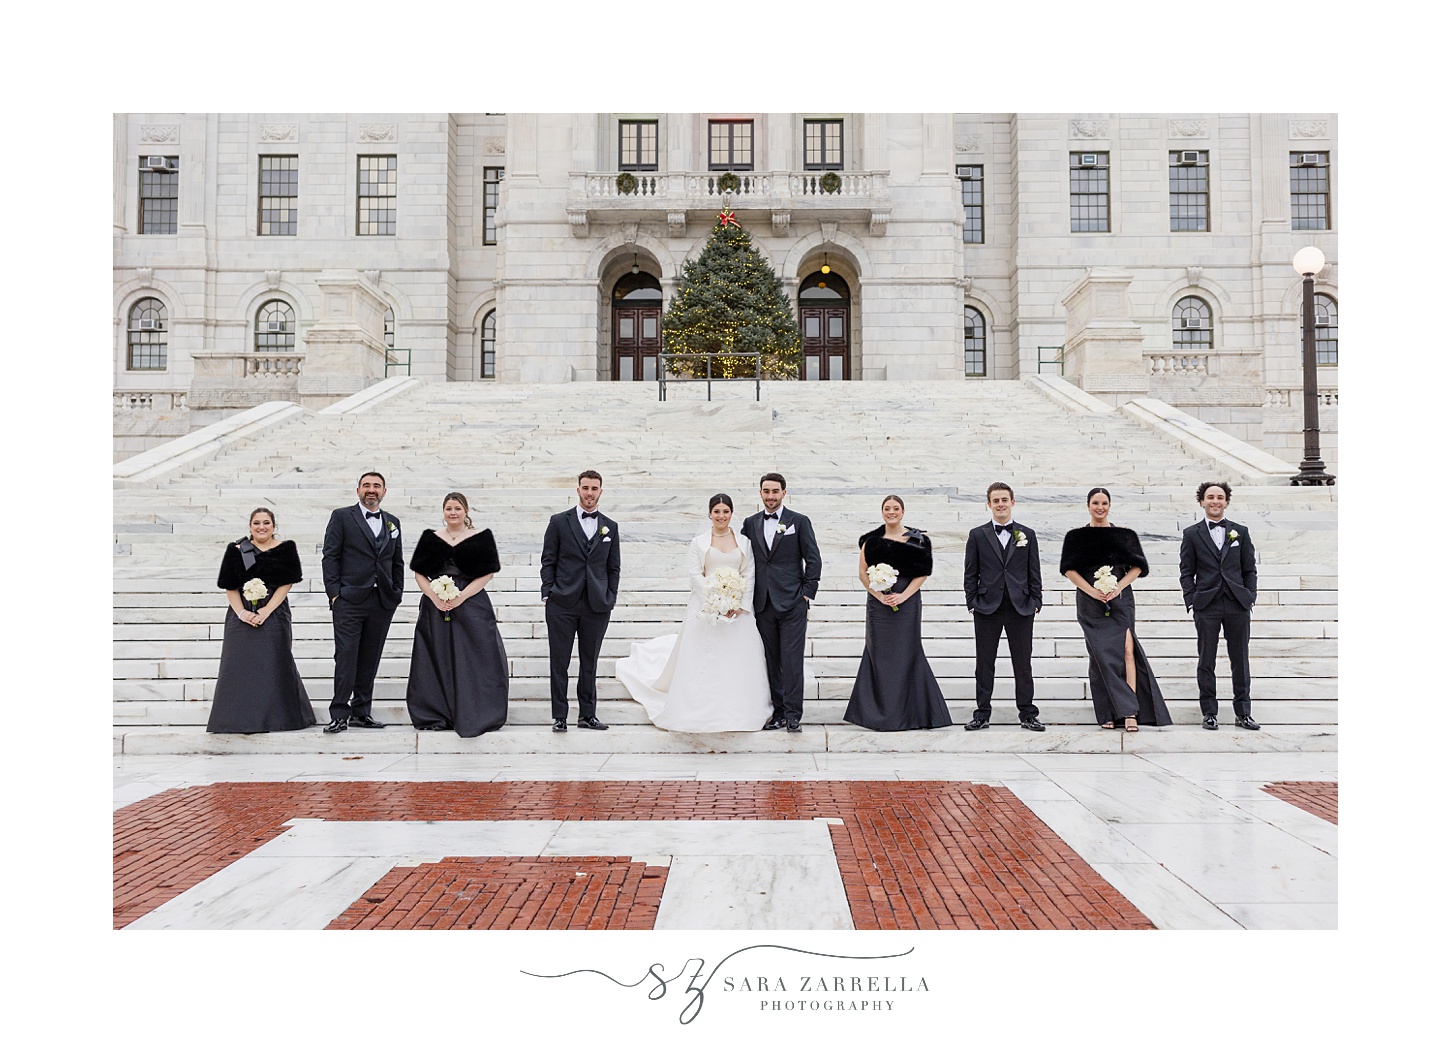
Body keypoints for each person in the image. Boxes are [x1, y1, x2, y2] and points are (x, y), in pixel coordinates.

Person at [615, 494, 774, 731]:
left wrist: (739, 604)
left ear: (732, 514)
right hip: (705, 609)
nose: (721, 516)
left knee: (737, 660)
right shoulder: (699, 542)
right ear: (710, 514)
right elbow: (694, 574)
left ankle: (739, 708)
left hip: (736, 611)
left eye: (726, 511)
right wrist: (714, 601)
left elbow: (749, 573)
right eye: (717, 511)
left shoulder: (744, 542)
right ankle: (697, 707)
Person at [1059, 488, 1172, 730]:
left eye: (1104, 503)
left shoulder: (1125, 535)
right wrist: (1092, 591)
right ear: (1088, 505)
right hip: (1090, 603)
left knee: (1127, 652)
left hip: (1120, 601)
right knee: (1100, 656)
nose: (1100, 507)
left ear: (1110, 505)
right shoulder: (1075, 537)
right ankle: (1107, 711)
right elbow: (1069, 570)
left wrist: (1119, 586)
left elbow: (1137, 567)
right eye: (1095, 503)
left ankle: (1130, 711)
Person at [845, 495, 952, 731]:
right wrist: (879, 595)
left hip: (908, 603)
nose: (891, 512)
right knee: (879, 655)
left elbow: (923, 573)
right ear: (881, 511)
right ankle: (877, 714)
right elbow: (863, 573)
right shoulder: (871, 540)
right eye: (887, 508)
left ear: (903, 512)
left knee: (907, 652)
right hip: (878, 607)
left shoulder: (918, 539)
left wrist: (903, 596)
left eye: (896, 508)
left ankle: (913, 714)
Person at [405, 492, 508, 736]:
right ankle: (437, 712)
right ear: (443, 512)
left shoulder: (480, 538)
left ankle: (478, 711)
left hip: (472, 605)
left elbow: (487, 574)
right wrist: (434, 596)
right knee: (437, 655)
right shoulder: (431, 539)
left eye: (457, 508)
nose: (453, 512)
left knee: (474, 655)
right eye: (449, 508)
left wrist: (461, 596)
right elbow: (419, 574)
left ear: (466, 511)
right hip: (435, 607)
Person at [207, 508, 316, 733]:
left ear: (274, 526)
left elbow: (287, 583)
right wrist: (241, 613)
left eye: (266, 522)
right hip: (241, 613)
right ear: (250, 526)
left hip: (274, 612)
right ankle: (236, 719)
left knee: (274, 663)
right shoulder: (236, 550)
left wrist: (266, 610)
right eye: (256, 523)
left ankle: (278, 719)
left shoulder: (286, 548)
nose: (261, 527)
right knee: (239, 665)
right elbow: (229, 585)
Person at [321, 471, 405, 733]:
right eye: (366, 485)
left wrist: (397, 591)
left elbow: (397, 561)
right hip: (349, 599)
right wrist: (335, 593)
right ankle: (339, 713)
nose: (371, 490)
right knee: (346, 655)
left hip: (381, 600)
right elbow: (330, 556)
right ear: (358, 490)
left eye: (376, 486)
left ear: (384, 492)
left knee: (370, 657)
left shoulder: (393, 522)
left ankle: (361, 711)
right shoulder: (342, 516)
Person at [540, 470, 620, 732]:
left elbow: (613, 567)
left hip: (596, 604)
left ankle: (587, 714)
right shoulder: (558, 522)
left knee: (590, 661)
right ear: (577, 490)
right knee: (559, 661)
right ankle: (559, 716)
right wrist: (548, 591)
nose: (589, 493)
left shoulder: (611, 526)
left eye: (594, 488)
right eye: (585, 488)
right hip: (562, 601)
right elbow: (548, 559)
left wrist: (610, 596)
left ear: (600, 491)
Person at [741, 472, 821, 733]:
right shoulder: (750, 523)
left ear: (784, 492)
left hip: (793, 603)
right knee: (771, 660)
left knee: (791, 659)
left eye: (775, 491)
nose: (771, 496)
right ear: (760, 493)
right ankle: (778, 712)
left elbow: (813, 558)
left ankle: (794, 714)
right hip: (763, 603)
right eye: (766, 491)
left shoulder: (799, 521)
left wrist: (807, 592)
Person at [962, 481, 1044, 731]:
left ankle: (1028, 713)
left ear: (1012, 502)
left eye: (1004, 500)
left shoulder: (1027, 534)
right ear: (989, 504)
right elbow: (970, 572)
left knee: (1023, 662)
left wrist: (1036, 601)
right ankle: (982, 713)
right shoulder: (977, 534)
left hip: (1021, 607)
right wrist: (972, 602)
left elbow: (1034, 570)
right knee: (984, 662)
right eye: (995, 500)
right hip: (987, 607)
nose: (1000, 504)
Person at [1180, 480, 1259, 731]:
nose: (1215, 501)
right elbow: (1186, 571)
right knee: (1206, 659)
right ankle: (1209, 712)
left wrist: (1250, 596)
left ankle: (1243, 713)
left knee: (1241, 660)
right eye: (1210, 497)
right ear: (1201, 501)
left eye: (1220, 497)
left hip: (1237, 603)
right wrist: (1191, 599)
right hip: (1207, 604)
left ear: (1226, 502)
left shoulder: (1241, 532)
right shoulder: (1191, 534)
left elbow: (1249, 569)